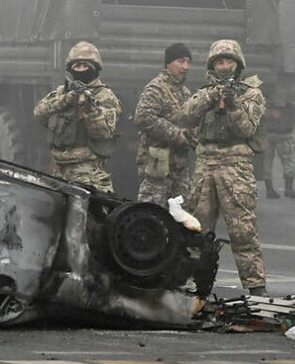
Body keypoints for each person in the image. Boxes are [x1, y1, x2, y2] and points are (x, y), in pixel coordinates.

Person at [181, 39, 268, 296]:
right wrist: (210, 97)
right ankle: (196, 284)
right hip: (205, 165)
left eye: (229, 61)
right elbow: (185, 116)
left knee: (243, 228)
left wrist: (232, 105)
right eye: (220, 61)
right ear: (212, 65)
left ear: (238, 64)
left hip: (236, 164)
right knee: (198, 228)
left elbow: (246, 129)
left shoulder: (251, 94)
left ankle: (255, 286)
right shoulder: (204, 92)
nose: (225, 66)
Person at [34, 41, 122, 193]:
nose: (81, 70)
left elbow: (104, 132)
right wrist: (65, 100)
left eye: (85, 66)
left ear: (94, 69)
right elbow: (39, 113)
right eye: (77, 66)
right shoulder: (63, 92)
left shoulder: (105, 96)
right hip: (58, 171)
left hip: (87, 173)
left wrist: (88, 110)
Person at [134, 43, 195, 207]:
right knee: (152, 213)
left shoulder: (186, 93)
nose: (185, 67)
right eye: (181, 61)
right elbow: (143, 117)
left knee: (182, 216)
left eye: (189, 62)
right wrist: (175, 134)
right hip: (157, 165)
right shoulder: (156, 88)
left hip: (179, 166)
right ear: (168, 63)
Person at [260, 86, 295, 199]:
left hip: (269, 132)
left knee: (267, 161)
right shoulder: (288, 94)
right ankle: (288, 189)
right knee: (288, 160)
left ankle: (269, 190)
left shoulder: (266, 93)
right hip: (284, 133)